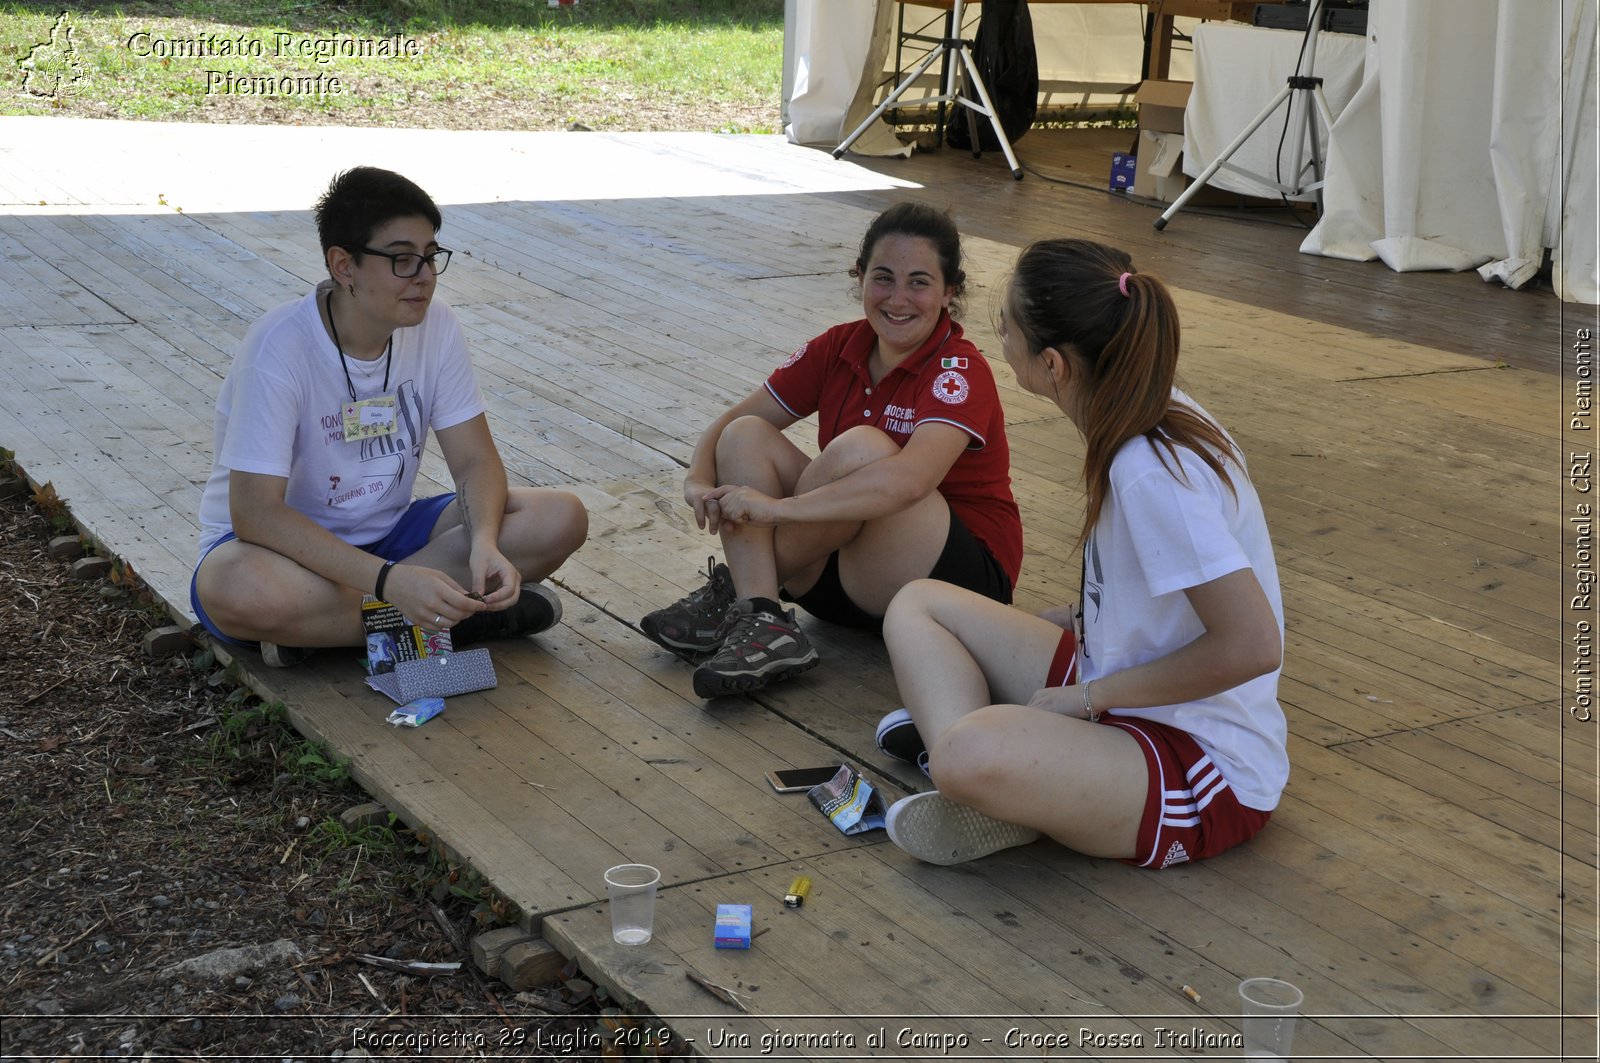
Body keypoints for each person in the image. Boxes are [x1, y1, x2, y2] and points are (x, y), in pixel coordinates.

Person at [876, 238, 1286, 868]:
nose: (999, 345)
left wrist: (1088, 700)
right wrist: (1079, 620)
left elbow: (1253, 644)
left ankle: (993, 776)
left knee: (967, 754)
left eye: (1006, 329)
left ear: (1053, 366)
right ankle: (1017, 783)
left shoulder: (1146, 469)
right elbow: (1166, 595)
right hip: (1121, 687)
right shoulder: (1147, 406)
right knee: (917, 605)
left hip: (1201, 762)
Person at [191, 166, 588, 666]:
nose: (424, 277)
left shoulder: (436, 325)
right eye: (402, 260)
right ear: (344, 266)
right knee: (236, 587)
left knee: (559, 517)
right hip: (283, 555)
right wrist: (390, 581)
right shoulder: (279, 348)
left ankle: (336, 633)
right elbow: (256, 513)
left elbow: (474, 462)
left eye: (430, 256)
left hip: (395, 539)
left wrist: (483, 545)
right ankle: (447, 619)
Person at [640, 202, 1023, 699]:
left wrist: (780, 509)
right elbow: (730, 424)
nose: (899, 298)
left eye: (920, 282)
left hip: (954, 586)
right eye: (883, 278)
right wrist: (696, 480)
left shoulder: (959, 369)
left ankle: (741, 589)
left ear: (950, 291)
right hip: (843, 574)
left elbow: (909, 482)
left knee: (864, 449)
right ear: (860, 276)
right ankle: (761, 615)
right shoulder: (840, 344)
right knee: (746, 435)